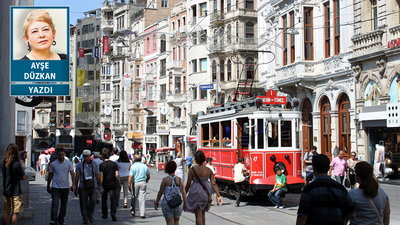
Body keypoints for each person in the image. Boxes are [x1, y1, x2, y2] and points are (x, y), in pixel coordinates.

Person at [296, 154, 355, 225]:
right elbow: (351, 213)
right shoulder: (341, 188)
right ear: (328, 168)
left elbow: (302, 216)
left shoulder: (309, 189)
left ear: (313, 168)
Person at [185, 151, 223, 225]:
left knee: (198, 216)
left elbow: (188, 184)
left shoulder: (192, 170)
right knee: (203, 214)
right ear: (204, 159)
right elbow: (214, 183)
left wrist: (184, 194)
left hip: (195, 192)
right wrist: (219, 195)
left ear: (195, 159)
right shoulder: (208, 170)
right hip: (206, 192)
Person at [47, 148, 76, 225]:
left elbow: (72, 174)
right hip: (55, 187)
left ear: (64, 155)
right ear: (57, 155)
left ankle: (61, 218)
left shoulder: (68, 163)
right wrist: (48, 186)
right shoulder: (53, 164)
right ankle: (53, 220)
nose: (61, 156)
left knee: (64, 204)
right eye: (59, 155)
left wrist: (74, 184)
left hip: (65, 187)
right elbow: (50, 175)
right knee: (55, 203)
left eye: (62, 155)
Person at [155, 161, 188, 225]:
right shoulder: (180, 180)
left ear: (167, 169)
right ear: (175, 169)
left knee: (170, 222)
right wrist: (185, 203)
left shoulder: (165, 179)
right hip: (178, 203)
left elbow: (160, 192)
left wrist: (157, 201)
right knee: (176, 222)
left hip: (167, 203)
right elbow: (183, 193)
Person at [74, 150, 101, 224]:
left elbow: (98, 175)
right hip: (83, 186)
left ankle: (90, 214)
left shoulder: (94, 164)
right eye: (84, 156)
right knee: (83, 202)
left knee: (93, 200)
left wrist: (100, 185)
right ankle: (85, 217)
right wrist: (76, 187)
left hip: (93, 185)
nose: (86, 158)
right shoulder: (80, 165)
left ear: (90, 156)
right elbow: (77, 176)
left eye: (87, 156)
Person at [2, 144, 25, 225]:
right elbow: (23, 177)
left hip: (6, 190)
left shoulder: (4, 163)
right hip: (16, 191)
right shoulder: (16, 164)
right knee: (15, 213)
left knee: (6, 211)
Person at [99, 148, 121, 221]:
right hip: (112, 183)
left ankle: (105, 214)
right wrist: (119, 183)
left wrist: (100, 185)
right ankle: (113, 212)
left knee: (104, 200)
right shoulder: (114, 164)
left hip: (105, 184)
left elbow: (101, 175)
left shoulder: (102, 165)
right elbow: (117, 174)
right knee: (113, 199)